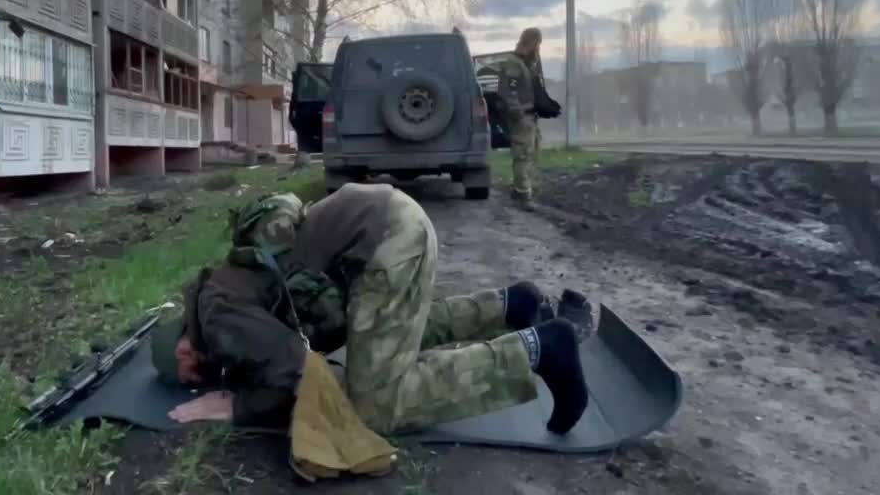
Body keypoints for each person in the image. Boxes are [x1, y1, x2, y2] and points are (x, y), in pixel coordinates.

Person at [150, 183, 590, 436]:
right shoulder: (225, 288)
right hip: (389, 223)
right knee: (383, 335)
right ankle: (512, 305)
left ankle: (541, 349)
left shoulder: (219, 316)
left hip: (386, 242)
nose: (199, 380)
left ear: (185, 351)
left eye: (189, 375)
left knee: (375, 405)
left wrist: (239, 406)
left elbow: (296, 368)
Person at [499, 27, 546, 209]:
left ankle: (519, 189)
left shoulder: (525, 63)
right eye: (537, 44)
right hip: (521, 116)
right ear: (533, 42)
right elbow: (508, 92)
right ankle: (523, 194)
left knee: (528, 154)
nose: (538, 48)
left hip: (528, 115)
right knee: (522, 155)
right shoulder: (514, 63)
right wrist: (517, 112)